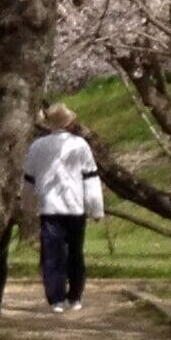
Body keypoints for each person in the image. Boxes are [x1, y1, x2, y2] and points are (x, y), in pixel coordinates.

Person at [21, 104, 104, 311]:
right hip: (75, 206)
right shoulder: (80, 145)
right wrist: (96, 208)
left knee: (52, 253)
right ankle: (75, 296)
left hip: (49, 207)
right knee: (75, 252)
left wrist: (27, 206)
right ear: (69, 123)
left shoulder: (37, 146)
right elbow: (90, 178)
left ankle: (56, 297)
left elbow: (29, 180)